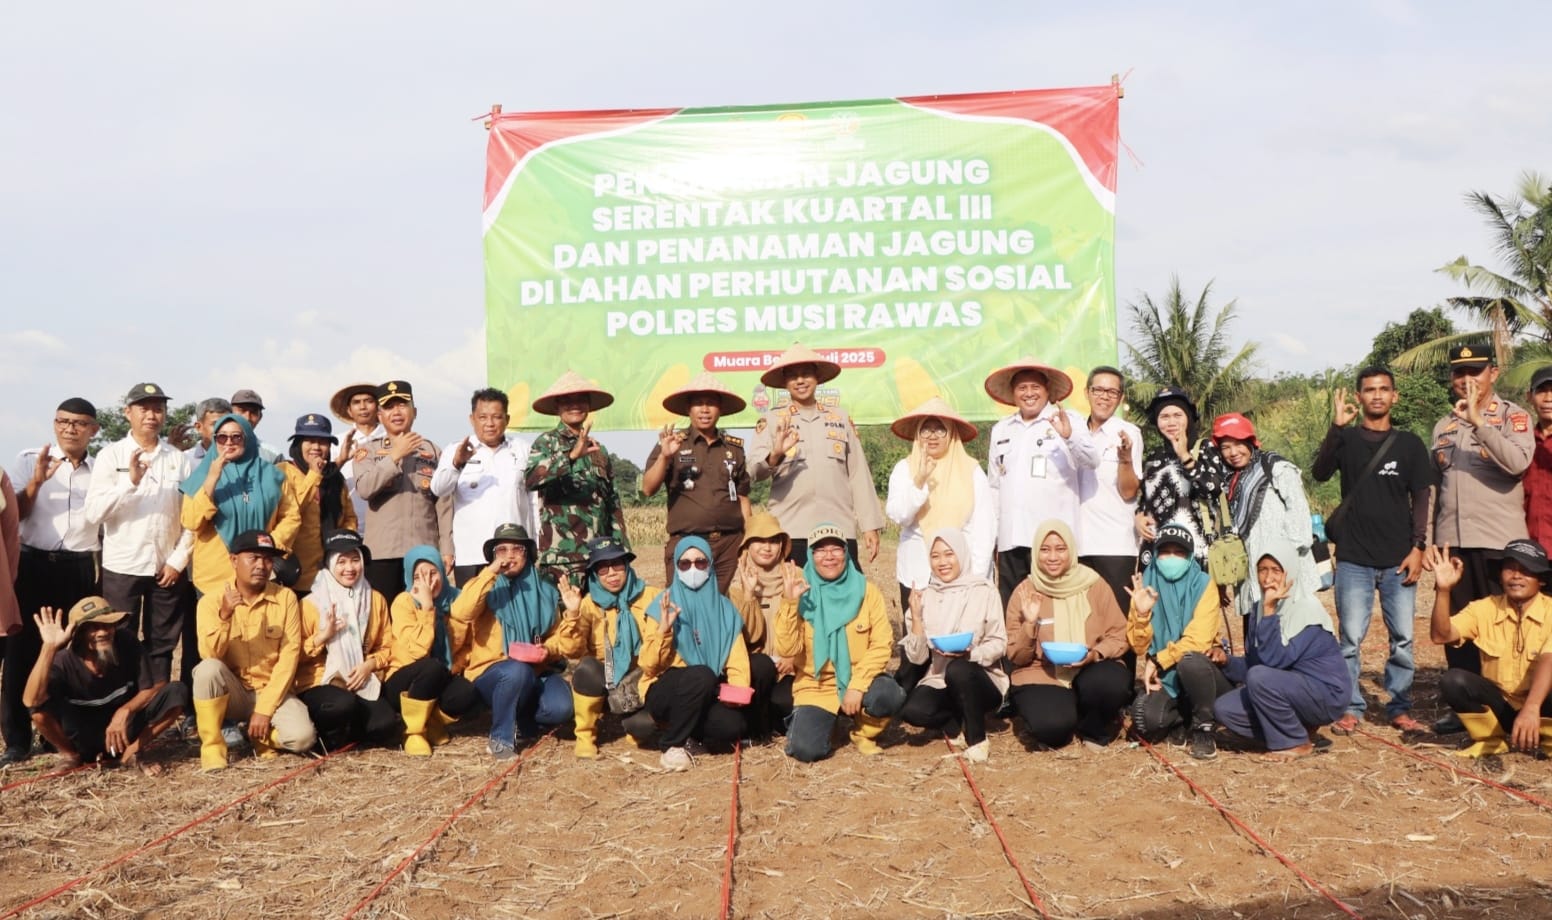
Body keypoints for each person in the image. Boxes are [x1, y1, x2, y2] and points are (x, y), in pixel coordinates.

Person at [1311, 368, 1434, 734]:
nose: (1377, 395)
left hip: (1399, 560)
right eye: (1369, 390)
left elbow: (1423, 496)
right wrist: (1335, 428)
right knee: (1349, 638)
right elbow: (1319, 473)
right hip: (1353, 559)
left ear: (1394, 396)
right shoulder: (1346, 440)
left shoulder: (1409, 444)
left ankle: (1399, 706)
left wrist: (1419, 547)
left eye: (1383, 389)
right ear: (1359, 396)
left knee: (1403, 639)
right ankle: (1351, 707)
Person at [1429, 344, 1534, 733]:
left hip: (1498, 542)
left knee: (1503, 626)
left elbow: (1518, 463)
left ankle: (1511, 704)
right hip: (1453, 541)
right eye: (1459, 373)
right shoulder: (1443, 425)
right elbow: (1434, 487)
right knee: (1457, 629)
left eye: (1475, 371)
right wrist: (1428, 540)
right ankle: (1466, 709)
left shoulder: (1514, 418)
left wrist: (1479, 423)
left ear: (1493, 373)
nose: (1466, 380)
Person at [3, 398, 100, 765]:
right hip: (33, 564)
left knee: (68, 652)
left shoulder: (102, 467)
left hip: (77, 568)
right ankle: (16, 739)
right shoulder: (29, 459)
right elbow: (16, 515)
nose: (69, 428)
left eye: (79, 423)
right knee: (20, 652)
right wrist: (36, 484)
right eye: (63, 421)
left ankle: (54, 730)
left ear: (94, 429)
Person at [83, 383, 195, 687]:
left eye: (158, 408)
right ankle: (121, 706)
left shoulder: (179, 459)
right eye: (144, 408)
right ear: (127, 413)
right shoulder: (110, 456)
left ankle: (156, 713)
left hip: (167, 567)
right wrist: (129, 483)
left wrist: (178, 560)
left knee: (162, 643)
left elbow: (192, 519)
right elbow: (94, 513)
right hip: (123, 566)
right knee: (117, 638)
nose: (152, 414)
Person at [449, 523, 583, 759]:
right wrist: (491, 572)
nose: (509, 556)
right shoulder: (484, 586)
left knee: (561, 708)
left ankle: (520, 719)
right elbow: (461, 612)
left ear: (528, 555)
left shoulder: (545, 591)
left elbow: (563, 643)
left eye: (517, 549)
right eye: (501, 550)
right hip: (493, 674)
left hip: (536, 671)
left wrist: (551, 643)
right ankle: (501, 739)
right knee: (516, 671)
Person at [775, 524, 905, 762]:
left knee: (888, 694)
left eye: (836, 549)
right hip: (817, 684)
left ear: (846, 553)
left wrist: (856, 686)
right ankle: (828, 720)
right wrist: (790, 603)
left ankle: (864, 732)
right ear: (811, 556)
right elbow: (787, 649)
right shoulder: (801, 593)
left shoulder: (868, 592)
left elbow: (881, 644)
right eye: (820, 550)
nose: (829, 557)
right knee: (806, 750)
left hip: (860, 679)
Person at [191, 530, 317, 770]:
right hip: (234, 691)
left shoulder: (286, 598)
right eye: (254, 558)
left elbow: (288, 659)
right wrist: (225, 616)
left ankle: (260, 736)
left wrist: (264, 710)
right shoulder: (211, 601)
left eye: (268, 559)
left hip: (271, 690)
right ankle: (213, 747)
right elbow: (209, 655)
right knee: (207, 670)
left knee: (303, 738)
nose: (262, 565)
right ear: (234, 560)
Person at [749, 344, 883, 567]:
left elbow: (859, 474)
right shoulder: (773, 421)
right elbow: (754, 471)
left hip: (838, 528)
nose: (800, 381)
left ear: (818, 377)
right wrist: (775, 455)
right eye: (792, 376)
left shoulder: (840, 418)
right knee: (794, 598)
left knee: (841, 597)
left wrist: (870, 525)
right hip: (791, 529)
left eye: (806, 374)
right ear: (784, 382)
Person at [1213, 541, 1349, 759]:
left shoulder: (1306, 609)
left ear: (1290, 572)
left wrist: (1269, 612)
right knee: (1225, 709)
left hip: (1325, 694)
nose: (1268, 579)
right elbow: (1257, 663)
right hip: (1289, 688)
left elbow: (1273, 662)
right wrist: (1226, 662)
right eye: (1262, 570)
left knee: (1260, 678)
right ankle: (1297, 730)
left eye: (1276, 570)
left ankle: (1295, 742)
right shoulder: (1260, 607)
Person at [22, 597, 188, 773]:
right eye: (93, 627)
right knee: (39, 712)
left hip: (124, 732)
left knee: (177, 692)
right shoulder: (63, 661)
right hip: (81, 735)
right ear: (78, 634)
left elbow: (156, 685)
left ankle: (132, 753)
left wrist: (125, 711)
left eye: (108, 625)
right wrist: (49, 647)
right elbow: (31, 701)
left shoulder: (126, 642)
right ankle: (70, 756)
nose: (102, 632)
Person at [1004, 520, 1131, 750]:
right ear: (1035, 552)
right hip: (1041, 672)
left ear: (1071, 550)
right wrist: (1029, 624)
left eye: (1060, 549)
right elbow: (1017, 656)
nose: (1052, 557)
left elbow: (1118, 634)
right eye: (1045, 549)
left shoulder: (1093, 584)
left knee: (1112, 683)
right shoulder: (1026, 590)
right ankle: (1064, 712)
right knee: (1050, 728)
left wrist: (1095, 654)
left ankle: (1092, 727)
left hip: (1089, 668)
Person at [984, 357, 1100, 606]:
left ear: (1048, 390)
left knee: (1055, 609)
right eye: (1022, 388)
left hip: (1052, 543)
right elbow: (994, 486)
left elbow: (1091, 460)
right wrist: (993, 537)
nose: (1029, 393)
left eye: (1035, 387)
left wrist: (1068, 437)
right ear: (1013, 393)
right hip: (1011, 539)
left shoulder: (1068, 420)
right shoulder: (1001, 429)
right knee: (1013, 609)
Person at [630, 537, 752, 771]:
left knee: (732, 725)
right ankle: (671, 745)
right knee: (702, 675)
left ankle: (691, 735)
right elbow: (648, 665)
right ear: (676, 567)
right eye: (684, 564)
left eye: (700, 562)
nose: (693, 569)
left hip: (705, 692)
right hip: (665, 689)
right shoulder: (662, 604)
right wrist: (664, 631)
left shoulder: (724, 607)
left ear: (710, 565)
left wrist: (737, 691)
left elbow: (737, 657)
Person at [1428, 540, 1552, 758]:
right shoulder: (1483, 608)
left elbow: (1549, 658)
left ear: (1541, 580)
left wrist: (1531, 708)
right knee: (1453, 680)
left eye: (1526, 571)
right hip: (1502, 706)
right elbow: (1441, 635)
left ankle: (1548, 740)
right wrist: (1444, 590)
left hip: (1541, 707)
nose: (1516, 576)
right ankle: (1490, 739)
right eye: (1510, 568)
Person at [895, 529, 1008, 762]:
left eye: (949, 554)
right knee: (913, 711)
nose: (942, 562)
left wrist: (972, 653)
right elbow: (916, 658)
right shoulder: (925, 597)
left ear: (962, 555)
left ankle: (977, 740)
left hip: (982, 678)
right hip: (940, 677)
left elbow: (999, 642)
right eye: (935, 556)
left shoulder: (984, 590)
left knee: (959, 670)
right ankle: (955, 720)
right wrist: (916, 617)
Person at [1125, 524, 1230, 760]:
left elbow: (1197, 640)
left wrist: (1159, 660)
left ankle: (1204, 726)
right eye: (1165, 551)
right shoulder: (1145, 584)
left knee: (1190, 661)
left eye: (1179, 552)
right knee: (1143, 718)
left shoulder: (1203, 583)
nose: (1171, 558)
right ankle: (1181, 716)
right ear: (1155, 554)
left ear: (1190, 555)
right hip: (1167, 679)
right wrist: (1141, 615)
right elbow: (1137, 645)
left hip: (1202, 671)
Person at [884, 396, 995, 614]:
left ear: (951, 433)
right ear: (917, 434)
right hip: (918, 571)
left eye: (940, 429)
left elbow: (985, 528)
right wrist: (920, 480)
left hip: (963, 572)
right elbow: (898, 515)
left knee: (959, 641)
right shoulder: (904, 468)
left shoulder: (972, 471)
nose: (932, 436)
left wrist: (977, 576)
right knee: (918, 636)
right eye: (926, 429)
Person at [642, 373, 751, 594]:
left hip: (729, 544)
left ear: (720, 409)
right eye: (698, 404)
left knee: (718, 603)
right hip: (687, 541)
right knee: (682, 605)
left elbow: (742, 497)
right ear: (688, 409)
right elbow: (647, 488)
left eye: (711, 403)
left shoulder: (734, 449)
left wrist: (748, 541)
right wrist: (664, 456)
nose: (704, 409)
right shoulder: (673, 443)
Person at [1212, 413, 1318, 629]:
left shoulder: (1275, 467)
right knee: (1256, 642)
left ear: (1250, 441)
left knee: (1290, 638)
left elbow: (1299, 518)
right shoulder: (1226, 480)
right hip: (1250, 580)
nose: (1233, 453)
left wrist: (1280, 561)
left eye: (1238, 444)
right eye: (1225, 447)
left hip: (1285, 575)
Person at [294, 530, 397, 750]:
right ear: (330, 565)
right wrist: (322, 637)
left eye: (354, 560)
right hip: (319, 680)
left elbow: (388, 645)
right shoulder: (311, 604)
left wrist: (370, 664)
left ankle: (348, 731)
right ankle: (326, 732)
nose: (349, 568)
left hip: (360, 678)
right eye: (341, 561)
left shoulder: (374, 599)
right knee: (341, 705)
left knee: (385, 724)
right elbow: (294, 656)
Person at [180, 413, 301, 599]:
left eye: (237, 436)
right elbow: (192, 522)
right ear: (215, 440)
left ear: (248, 438)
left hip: (260, 573)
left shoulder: (272, 475)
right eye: (222, 437)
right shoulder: (202, 475)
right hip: (215, 577)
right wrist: (212, 479)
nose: (229, 442)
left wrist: (267, 547)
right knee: (219, 627)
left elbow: (291, 516)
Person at [524, 372, 628, 586]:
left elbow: (612, 503)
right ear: (556, 406)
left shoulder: (599, 450)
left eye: (581, 399)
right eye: (567, 400)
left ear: (588, 405)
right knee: (564, 618)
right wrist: (570, 457)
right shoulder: (546, 443)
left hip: (600, 558)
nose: (575, 405)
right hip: (562, 560)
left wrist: (621, 550)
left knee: (600, 617)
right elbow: (531, 479)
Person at [353, 381, 453, 603]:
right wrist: (394, 456)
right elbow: (365, 489)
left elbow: (444, 505)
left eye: (402, 405)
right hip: (382, 553)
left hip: (423, 550)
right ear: (379, 415)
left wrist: (446, 548)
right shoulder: (366, 451)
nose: (396, 412)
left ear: (414, 412)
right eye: (389, 407)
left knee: (424, 612)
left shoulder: (433, 451)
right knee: (384, 619)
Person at [565, 537, 663, 758]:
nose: (611, 573)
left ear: (627, 566)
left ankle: (632, 720)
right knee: (588, 667)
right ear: (594, 574)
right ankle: (585, 737)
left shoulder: (652, 595)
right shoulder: (588, 604)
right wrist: (572, 614)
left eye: (617, 564)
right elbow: (571, 651)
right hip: (604, 677)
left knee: (643, 728)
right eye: (602, 568)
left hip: (640, 678)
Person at [431, 388, 539, 588]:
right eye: (483, 417)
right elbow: (438, 489)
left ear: (506, 419)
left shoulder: (523, 450)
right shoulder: (456, 449)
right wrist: (457, 463)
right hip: (471, 554)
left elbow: (533, 501)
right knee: (473, 614)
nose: (490, 424)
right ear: (472, 419)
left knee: (513, 614)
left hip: (513, 553)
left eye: (497, 417)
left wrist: (535, 546)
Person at [384, 547, 481, 756]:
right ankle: (414, 732)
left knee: (467, 692)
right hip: (405, 678)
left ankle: (433, 720)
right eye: (417, 577)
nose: (427, 582)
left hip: (442, 673)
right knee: (431, 668)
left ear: (442, 571)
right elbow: (417, 651)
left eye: (432, 573)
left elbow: (469, 645)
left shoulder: (458, 599)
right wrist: (427, 608)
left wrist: (455, 666)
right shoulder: (403, 602)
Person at [1136, 386, 1230, 571]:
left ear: (1188, 417)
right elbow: (1144, 500)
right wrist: (1138, 517)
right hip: (1157, 551)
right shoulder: (1154, 457)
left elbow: (1216, 489)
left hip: (1196, 551)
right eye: (1164, 417)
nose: (1171, 422)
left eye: (1177, 415)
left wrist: (1186, 457)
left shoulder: (1205, 448)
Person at [1078, 366, 1144, 610]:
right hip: (1077, 546)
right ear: (1087, 392)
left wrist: (1125, 458)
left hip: (1115, 545)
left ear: (1121, 397)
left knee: (1116, 621)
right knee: (1083, 622)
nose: (1104, 397)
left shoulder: (1128, 434)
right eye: (1098, 390)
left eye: (1112, 392)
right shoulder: (1073, 433)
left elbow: (1129, 492)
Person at [728, 513, 796, 737]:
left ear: (782, 546)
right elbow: (745, 639)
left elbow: (810, 627)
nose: (767, 548)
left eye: (774, 541)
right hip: (757, 668)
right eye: (760, 540)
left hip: (790, 666)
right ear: (747, 545)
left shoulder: (796, 577)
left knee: (784, 704)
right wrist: (749, 596)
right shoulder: (736, 585)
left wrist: (793, 657)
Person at [279, 413, 358, 595]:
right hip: (293, 576)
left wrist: (342, 548)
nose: (316, 447)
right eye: (309, 441)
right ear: (298, 444)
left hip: (330, 576)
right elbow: (292, 513)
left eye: (322, 442)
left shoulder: (334, 477)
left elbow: (349, 517)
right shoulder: (283, 472)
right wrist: (314, 475)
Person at [331, 383, 382, 534]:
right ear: (349, 410)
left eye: (368, 401)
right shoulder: (337, 443)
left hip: (386, 527)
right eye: (356, 402)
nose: (363, 407)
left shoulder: (392, 441)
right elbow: (323, 480)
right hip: (347, 526)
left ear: (378, 407)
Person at [1522, 365, 1552, 555]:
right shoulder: (1521, 442)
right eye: (1541, 391)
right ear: (1529, 397)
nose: (1548, 399)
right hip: (1530, 549)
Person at [229, 389, 283, 463]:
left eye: (253, 412)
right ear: (229, 413)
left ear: (260, 417)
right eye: (242, 410)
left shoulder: (273, 455)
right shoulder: (216, 449)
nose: (247, 417)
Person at [183, 397, 233, 464]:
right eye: (216, 424)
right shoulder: (185, 459)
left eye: (227, 423)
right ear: (199, 427)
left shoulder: (242, 459)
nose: (223, 429)